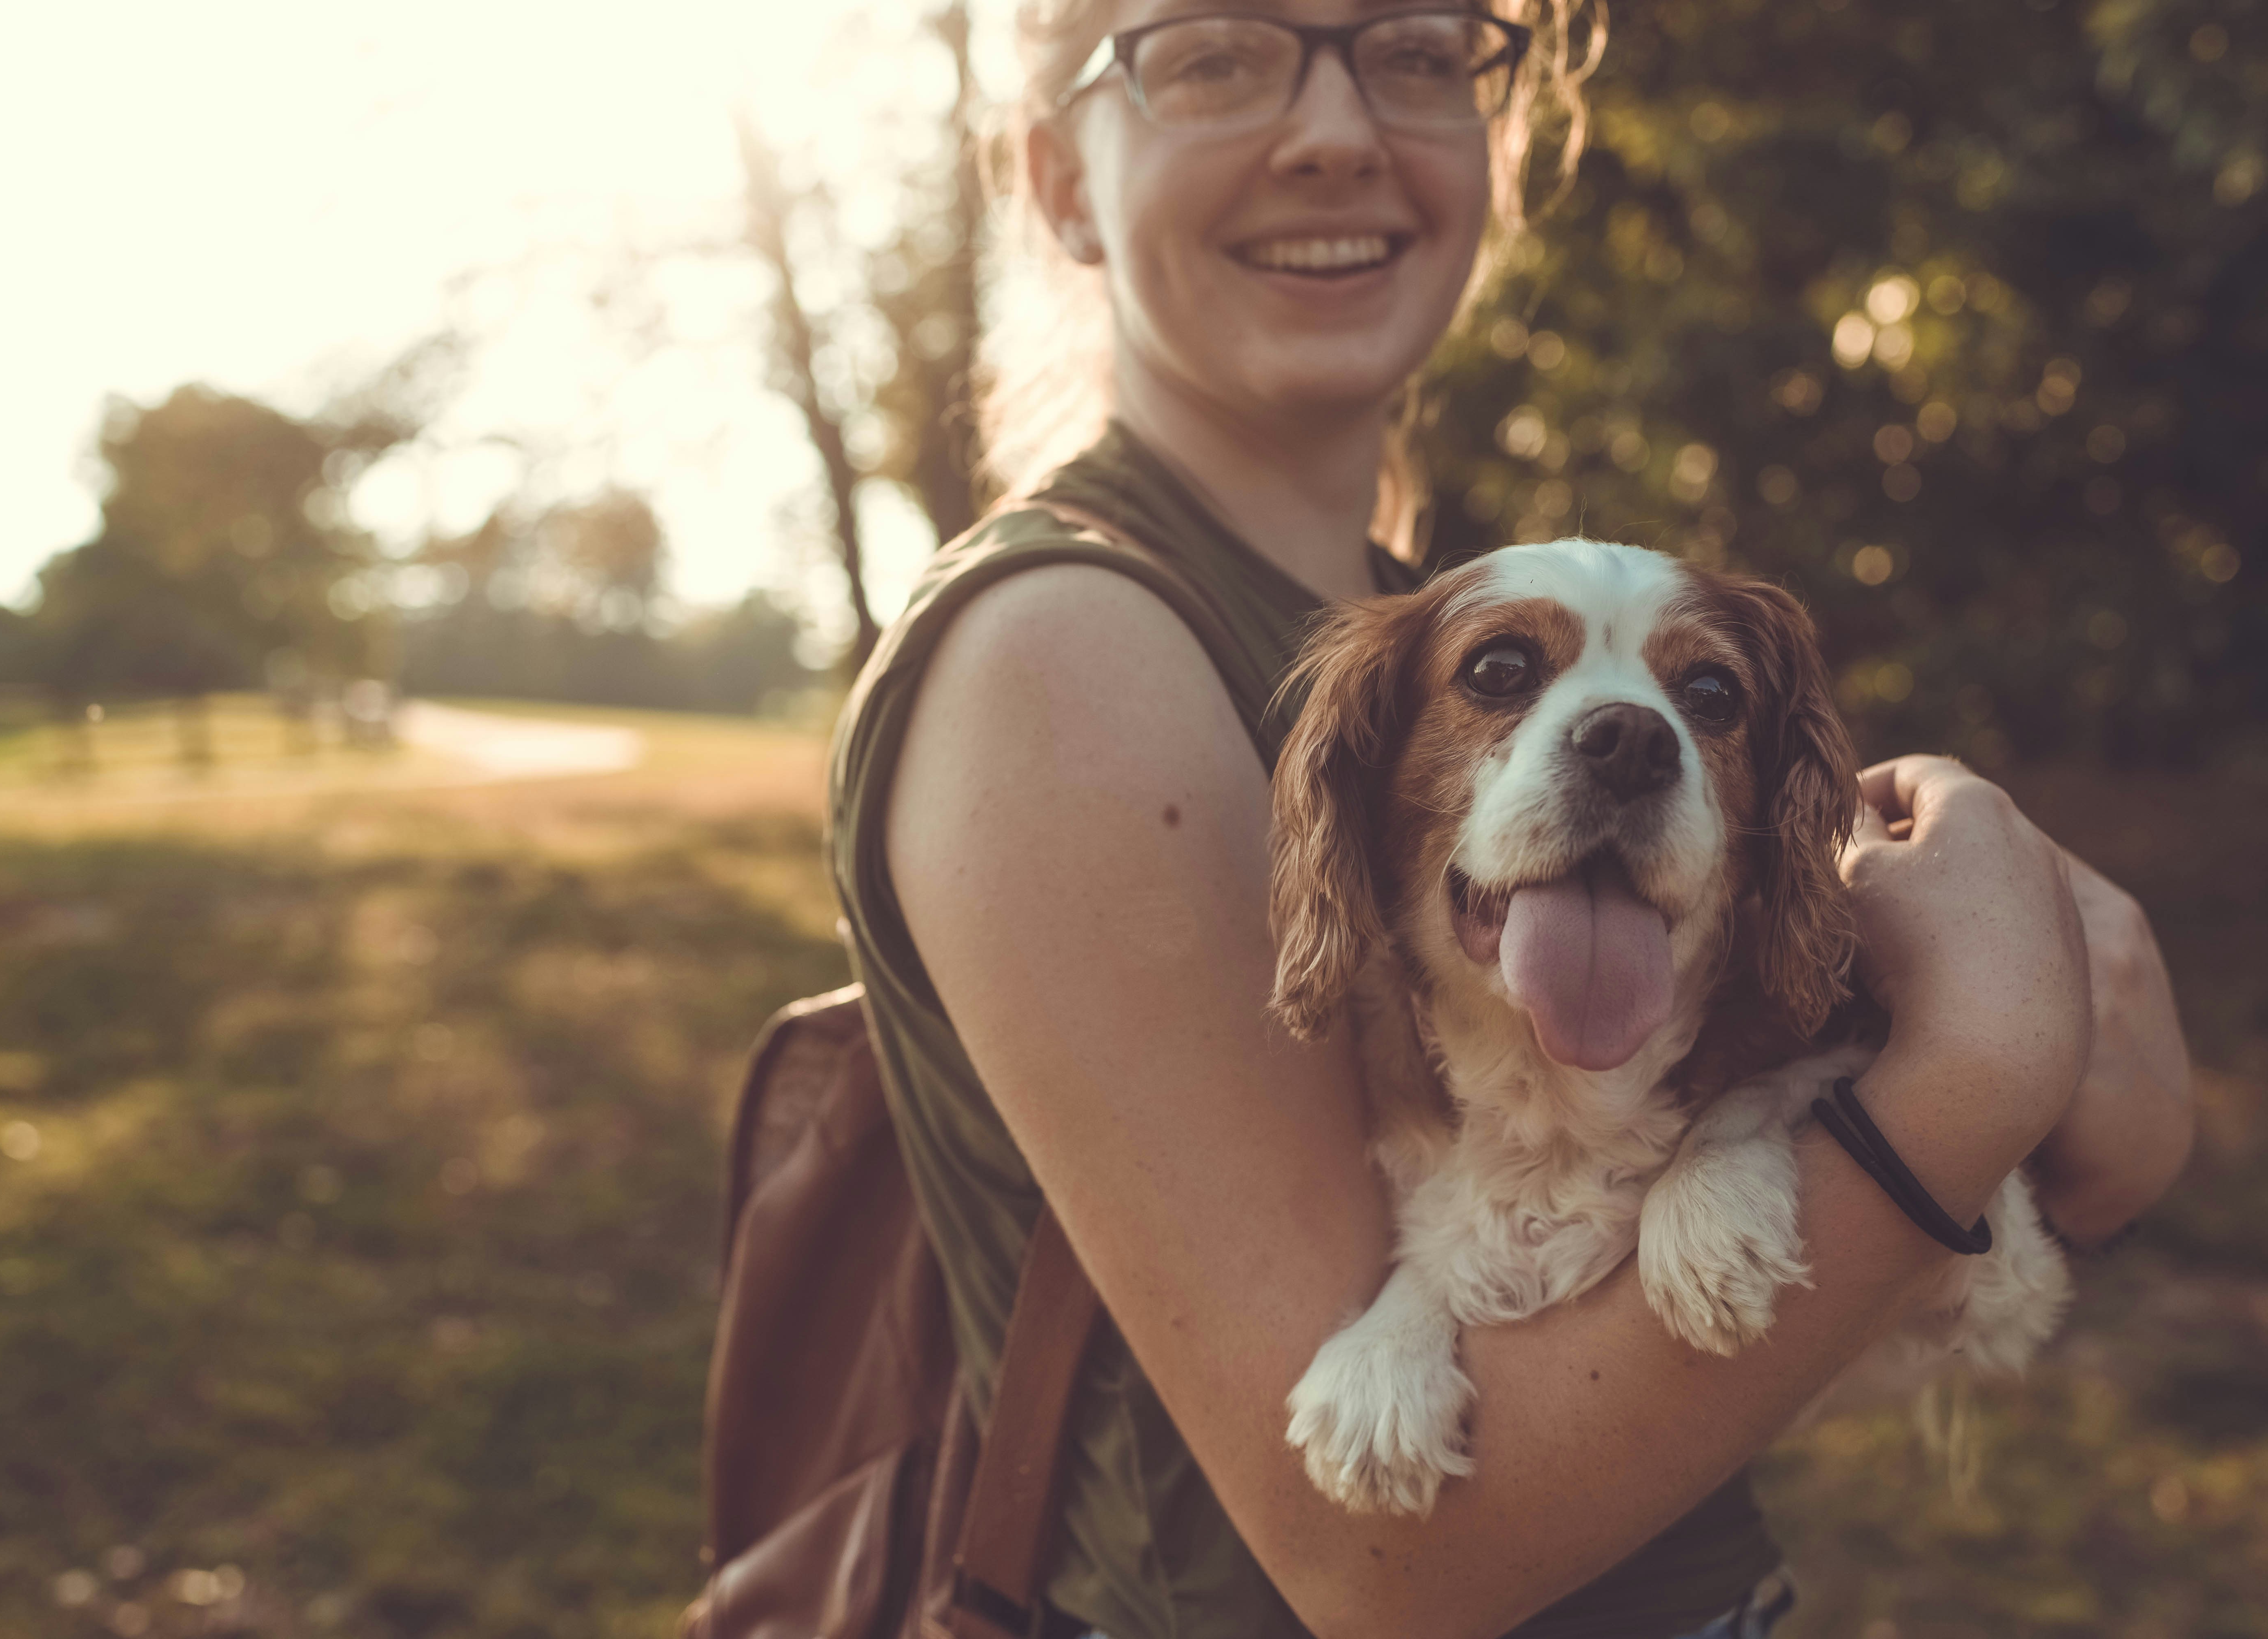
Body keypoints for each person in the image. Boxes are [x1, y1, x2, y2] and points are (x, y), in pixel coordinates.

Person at [827, 2, 2195, 1635]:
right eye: (1211, 52)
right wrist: (1978, 1070)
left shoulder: (1440, 625)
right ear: (1056, 176)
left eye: (1411, 49)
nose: (1335, 128)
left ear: (1498, 143)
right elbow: (1377, 1562)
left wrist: (2084, 1102)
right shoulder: (1066, 647)